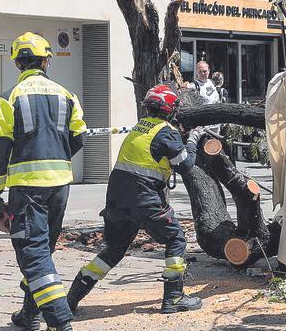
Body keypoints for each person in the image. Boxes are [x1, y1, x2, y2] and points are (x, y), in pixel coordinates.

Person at [65, 85, 202, 315]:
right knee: (176, 239)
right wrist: (194, 140)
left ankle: (71, 300)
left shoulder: (139, 128)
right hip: (144, 198)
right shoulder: (166, 131)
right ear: (170, 110)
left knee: (114, 250)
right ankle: (174, 298)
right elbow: (186, 165)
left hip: (117, 199)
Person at [0, 33, 87, 331]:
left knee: (33, 252)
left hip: (27, 186)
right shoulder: (67, 95)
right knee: (42, 250)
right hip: (60, 184)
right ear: (46, 61)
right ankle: (29, 314)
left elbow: (1, 149)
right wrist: (58, 157)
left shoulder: (8, 97)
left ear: (17, 62)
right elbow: (79, 136)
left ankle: (60, 320)